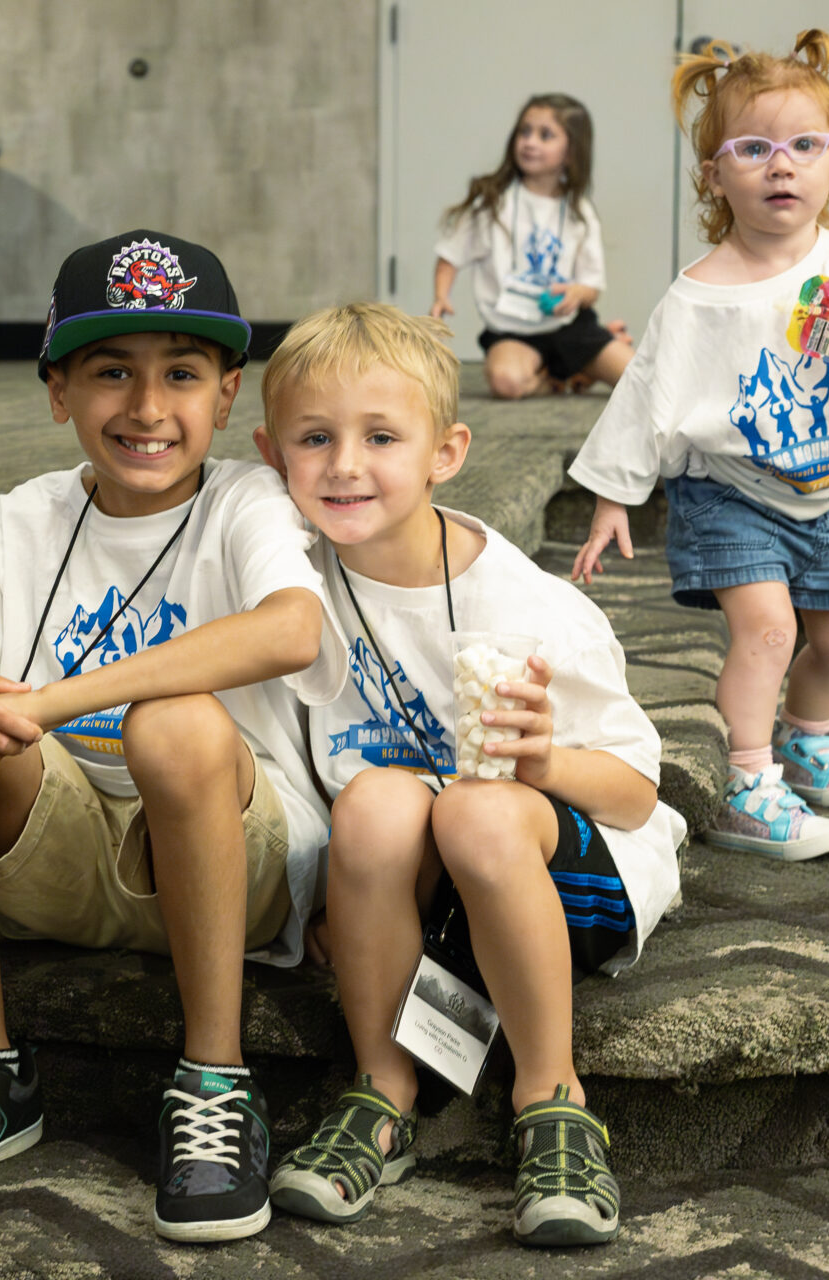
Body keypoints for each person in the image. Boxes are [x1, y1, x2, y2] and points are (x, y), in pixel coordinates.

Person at [0, 230, 341, 1243]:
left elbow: (293, 627)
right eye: (112, 372)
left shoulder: (246, 500)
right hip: (52, 857)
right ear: (59, 391)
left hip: (231, 858)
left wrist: (52, 702)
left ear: (228, 395)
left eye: (181, 375)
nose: (147, 409)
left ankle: (216, 1081)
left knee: (178, 727)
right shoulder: (27, 516)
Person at [252, 302, 684, 1246]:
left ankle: (552, 1098)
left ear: (445, 453)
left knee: (481, 810)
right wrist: (320, 897)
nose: (345, 465)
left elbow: (638, 793)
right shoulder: (288, 591)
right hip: (420, 896)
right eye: (314, 438)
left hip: (570, 886)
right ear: (270, 453)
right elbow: (289, 769)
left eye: (381, 436)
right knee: (375, 805)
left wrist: (544, 762)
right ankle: (383, 1092)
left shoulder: (529, 605)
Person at [569, 30, 829, 861]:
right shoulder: (698, 298)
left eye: (805, 145)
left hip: (826, 492)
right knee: (771, 629)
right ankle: (748, 782)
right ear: (714, 175)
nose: (783, 165)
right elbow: (645, 401)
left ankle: (807, 737)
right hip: (730, 494)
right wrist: (612, 498)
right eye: (754, 148)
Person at [431, 93, 633, 399]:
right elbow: (450, 255)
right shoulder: (491, 202)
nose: (530, 142)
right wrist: (441, 296)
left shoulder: (580, 211)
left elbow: (592, 288)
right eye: (524, 132)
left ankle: (591, 353)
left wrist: (577, 293)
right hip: (512, 332)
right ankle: (564, 374)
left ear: (571, 152)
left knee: (638, 379)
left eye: (545, 135)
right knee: (507, 383)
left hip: (570, 328)